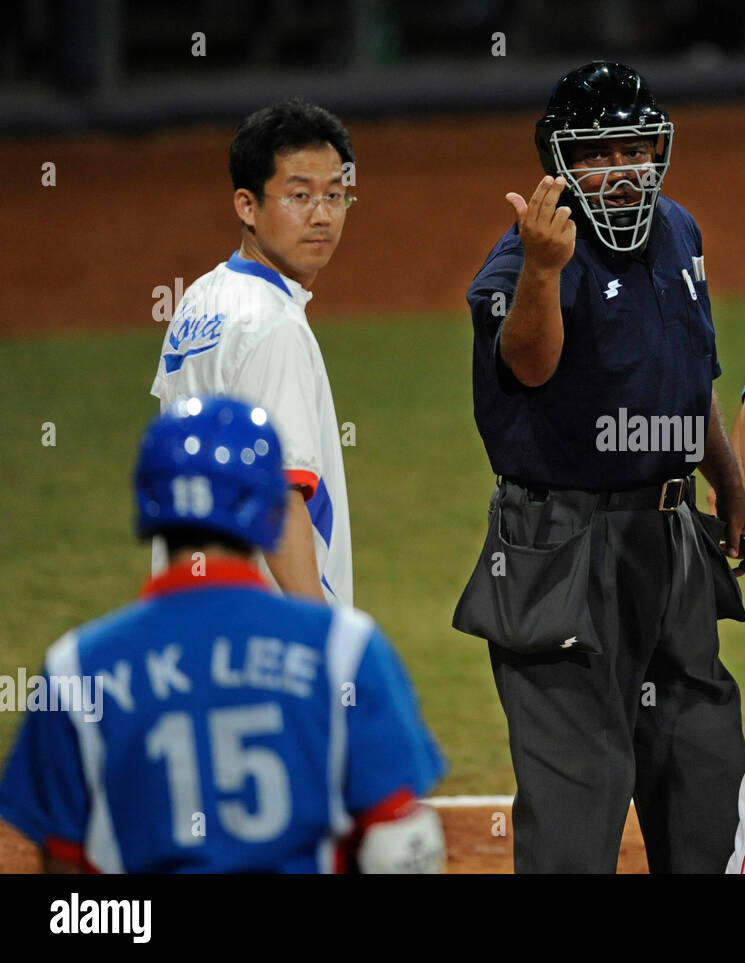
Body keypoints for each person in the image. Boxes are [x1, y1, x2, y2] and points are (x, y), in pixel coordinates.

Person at [455, 61, 745, 874]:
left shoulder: (680, 231)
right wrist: (544, 270)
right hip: (561, 544)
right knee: (578, 797)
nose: (623, 170)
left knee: (703, 773)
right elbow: (529, 364)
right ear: (560, 161)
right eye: (599, 153)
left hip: (669, 536)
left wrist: (728, 485)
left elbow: (691, 375)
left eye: (636, 149)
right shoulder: (524, 258)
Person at [0, 397, 446, 873]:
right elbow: (400, 845)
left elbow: (66, 867)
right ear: (271, 508)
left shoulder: (77, 670)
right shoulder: (345, 651)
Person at [149, 99, 356, 606]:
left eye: (335, 195)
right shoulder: (274, 325)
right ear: (247, 205)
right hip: (265, 625)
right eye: (299, 195)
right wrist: (317, 635)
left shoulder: (199, 299)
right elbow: (283, 495)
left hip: (191, 606)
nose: (322, 215)